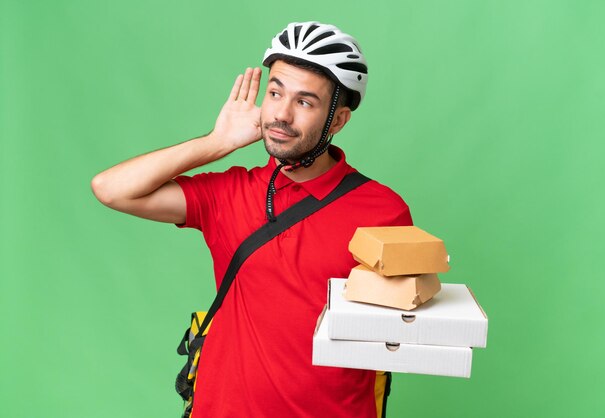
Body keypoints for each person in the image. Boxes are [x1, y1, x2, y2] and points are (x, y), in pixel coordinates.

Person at [92, 21, 412, 418]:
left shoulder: (382, 210)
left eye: (305, 102)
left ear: (339, 121)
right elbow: (111, 188)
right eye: (275, 92)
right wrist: (217, 142)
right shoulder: (229, 192)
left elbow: (401, 325)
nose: (281, 113)